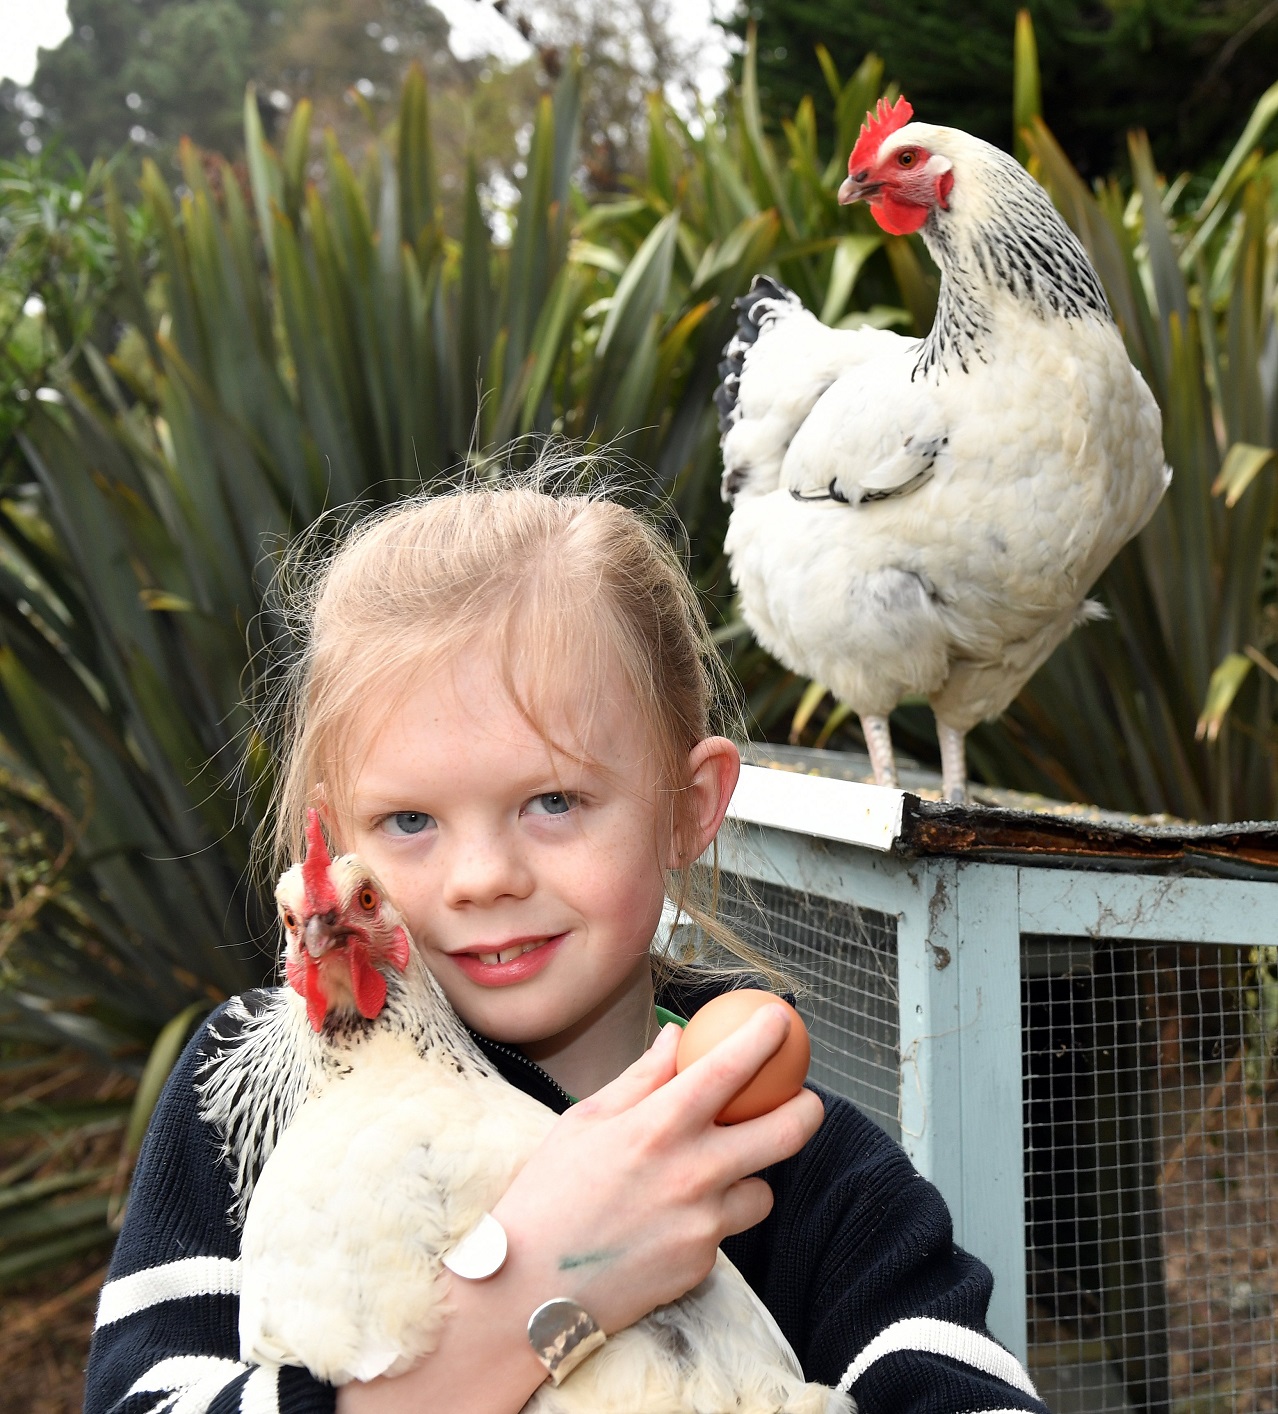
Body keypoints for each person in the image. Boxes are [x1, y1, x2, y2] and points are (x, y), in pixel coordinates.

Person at [85, 477, 1049, 1414]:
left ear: (692, 806)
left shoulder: (790, 1160)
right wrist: (538, 1293)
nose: (482, 877)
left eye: (553, 802)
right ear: (340, 847)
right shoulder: (245, 1100)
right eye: (410, 820)